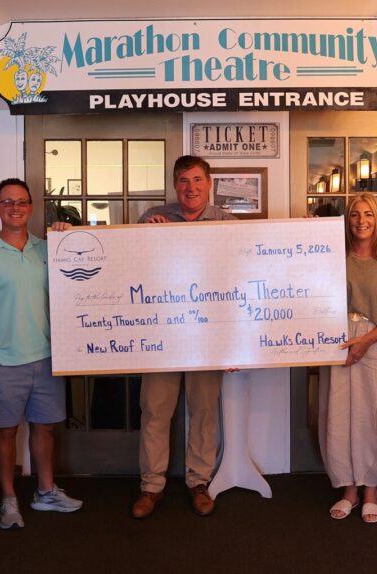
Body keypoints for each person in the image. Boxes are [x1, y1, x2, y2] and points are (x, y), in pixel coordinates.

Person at [0, 177, 81, 530]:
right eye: (7, 202)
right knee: (6, 432)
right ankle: (9, 499)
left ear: (30, 208)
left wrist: (67, 234)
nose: (15, 207)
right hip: (4, 362)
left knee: (44, 428)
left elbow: (87, 267)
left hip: (46, 358)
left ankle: (45, 492)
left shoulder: (48, 249)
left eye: (22, 202)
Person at [131, 155, 236, 519]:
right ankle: (151, 485)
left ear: (209, 184)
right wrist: (146, 238)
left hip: (207, 335)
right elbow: (129, 267)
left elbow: (238, 280)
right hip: (162, 334)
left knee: (205, 411)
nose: (190, 188)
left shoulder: (227, 223)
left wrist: (234, 343)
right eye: (183, 181)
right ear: (175, 185)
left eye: (196, 180)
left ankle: (199, 481)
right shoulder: (152, 217)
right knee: (155, 411)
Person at [318, 192, 377, 524]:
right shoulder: (334, 254)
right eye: (356, 215)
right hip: (340, 343)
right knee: (339, 416)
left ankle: (371, 488)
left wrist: (366, 342)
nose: (361, 221)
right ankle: (348, 490)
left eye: (368, 215)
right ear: (348, 220)